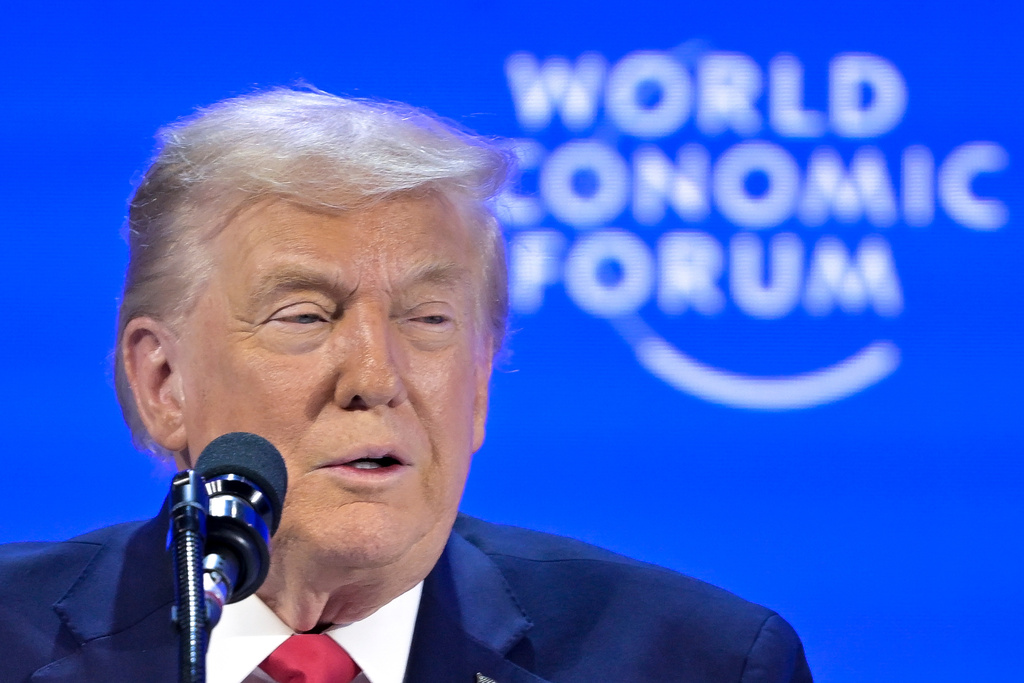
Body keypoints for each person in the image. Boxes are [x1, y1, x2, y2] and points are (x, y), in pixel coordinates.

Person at [0, 88, 813, 683]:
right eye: (305, 316)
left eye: (428, 319)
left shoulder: (694, 662)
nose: (376, 377)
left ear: (481, 385)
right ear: (162, 381)